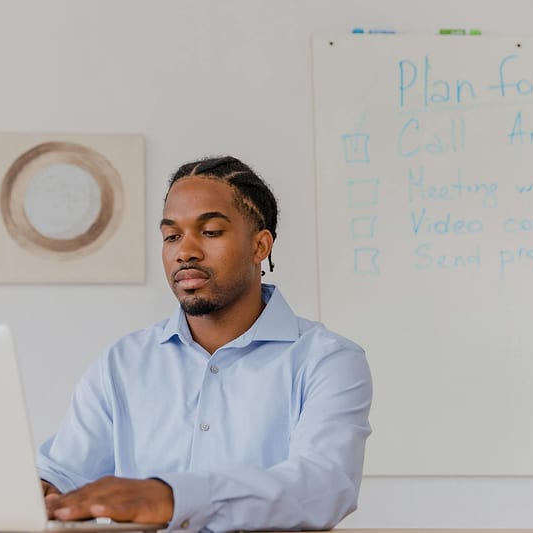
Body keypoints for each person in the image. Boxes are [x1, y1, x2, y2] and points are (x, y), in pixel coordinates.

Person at [36, 155, 372, 532]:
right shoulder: (122, 361)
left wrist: (171, 497)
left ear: (260, 246)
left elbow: (324, 485)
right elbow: (63, 471)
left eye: (210, 231)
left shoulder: (328, 360)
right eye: (171, 236)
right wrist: (41, 489)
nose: (185, 252)